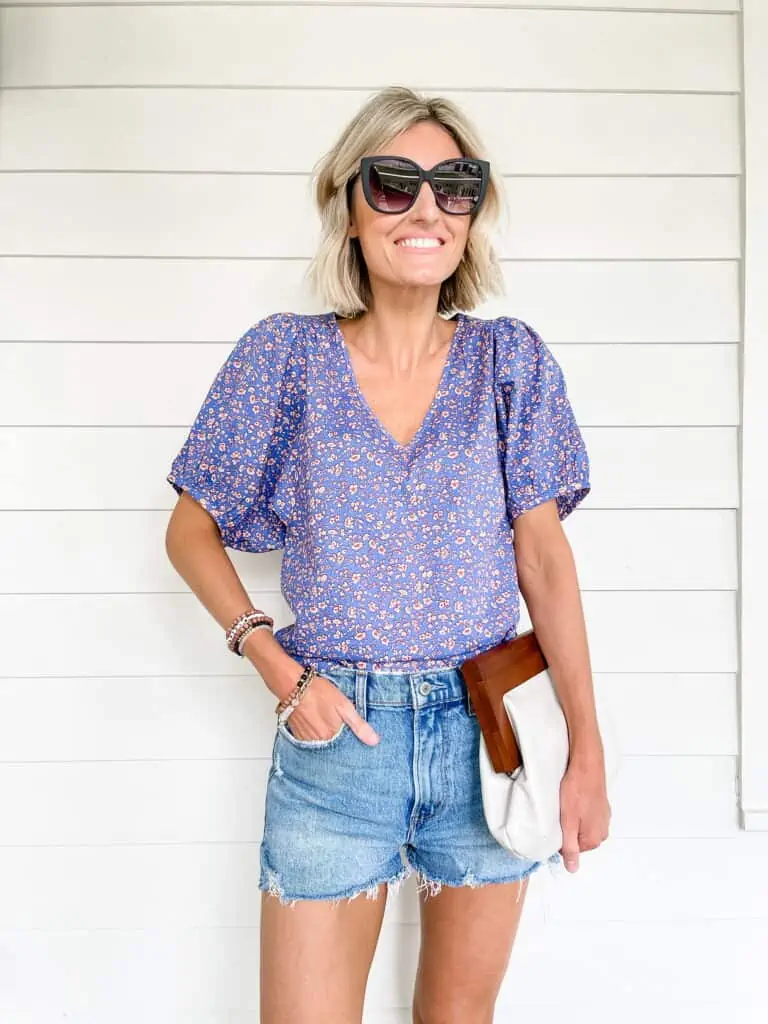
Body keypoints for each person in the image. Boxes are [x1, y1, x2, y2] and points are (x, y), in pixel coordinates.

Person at [165, 85, 610, 1024]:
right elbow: (189, 530)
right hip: (338, 744)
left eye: (454, 186)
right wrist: (278, 668)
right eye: (395, 182)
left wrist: (587, 753)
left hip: (489, 736)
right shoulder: (283, 359)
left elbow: (544, 559)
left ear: (474, 210)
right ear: (350, 203)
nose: (425, 209)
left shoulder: (510, 363)